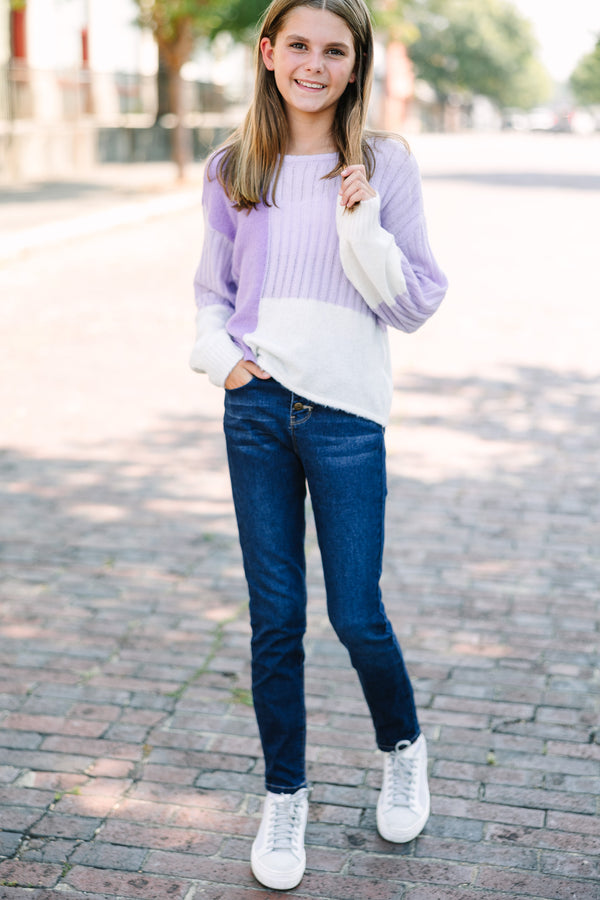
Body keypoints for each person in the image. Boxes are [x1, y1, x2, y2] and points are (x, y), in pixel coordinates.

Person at [190, 0, 448, 890]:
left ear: (355, 65)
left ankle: (404, 747)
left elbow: (415, 303)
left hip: (345, 419)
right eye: (297, 44)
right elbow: (211, 291)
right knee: (275, 620)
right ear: (268, 55)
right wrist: (223, 362)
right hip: (256, 410)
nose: (314, 63)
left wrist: (362, 222)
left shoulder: (385, 165)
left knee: (354, 612)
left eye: (334, 49)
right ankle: (284, 797)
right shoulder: (234, 167)